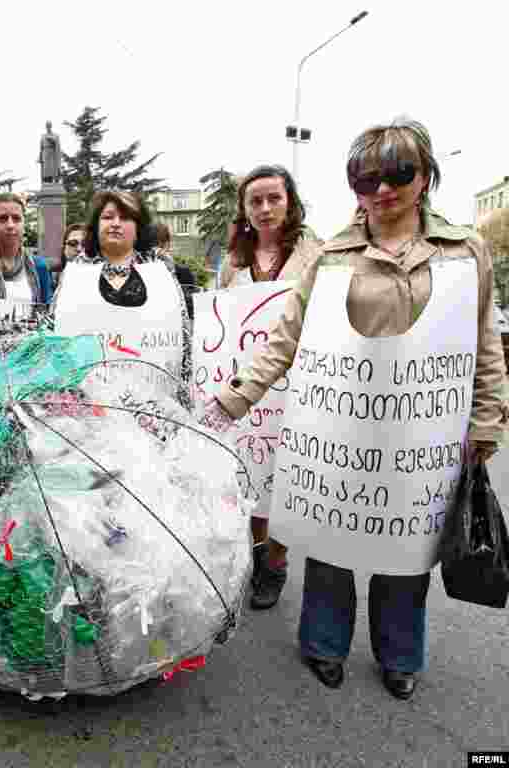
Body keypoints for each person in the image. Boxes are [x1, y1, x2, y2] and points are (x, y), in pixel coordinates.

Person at [207, 119, 507, 700]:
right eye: (366, 177)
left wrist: (487, 419)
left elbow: (484, 342)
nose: (382, 189)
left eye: (398, 173)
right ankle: (324, 645)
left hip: (424, 431)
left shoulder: (463, 250)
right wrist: (232, 399)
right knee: (331, 544)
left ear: (424, 178)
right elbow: (285, 338)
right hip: (339, 427)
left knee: (406, 549)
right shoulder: (332, 255)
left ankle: (401, 656)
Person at [219, 165, 320, 611]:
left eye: (273, 198)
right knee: (253, 472)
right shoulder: (233, 261)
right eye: (255, 201)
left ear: (289, 202)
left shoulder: (315, 255)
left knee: (287, 474)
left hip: (298, 384)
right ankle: (257, 555)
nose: (264, 208)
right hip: (249, 386)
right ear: (243, 209)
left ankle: (276, 563)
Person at [59, 190, 190, 383]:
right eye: (108, 217)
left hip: (154, 395)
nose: (116, 223)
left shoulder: (159, 269)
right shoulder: (75, 272)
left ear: (139, 227)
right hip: (89, 399)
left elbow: (183, 334)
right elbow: (55, 333)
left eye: (126, 218)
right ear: (96, 226)